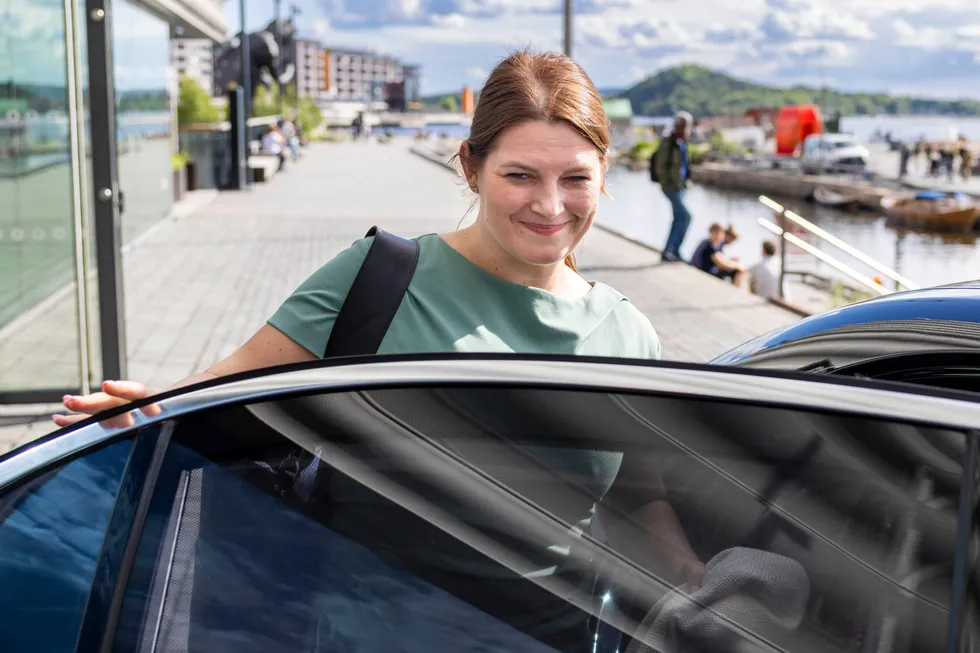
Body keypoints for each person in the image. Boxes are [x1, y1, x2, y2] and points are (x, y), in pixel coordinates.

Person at [54, 49, 705, 650]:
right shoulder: (382, 277)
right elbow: (224, 390)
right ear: (471, 167)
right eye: (520, 175)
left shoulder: (627, 332)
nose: (550, 203)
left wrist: (696, 582)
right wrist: (147, 409)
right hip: (364, 633)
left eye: (575, 178)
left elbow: (637, 500)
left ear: (603, 177)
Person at [652, 111, 694, 262]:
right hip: (671, 188)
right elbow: (660, 167)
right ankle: (671, 249)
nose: (687, 129)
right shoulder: (668, 142)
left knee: (679, 218)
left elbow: (684, 166)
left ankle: (672, 250)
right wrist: (670, 184)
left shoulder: (683, 143)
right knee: (686, 216)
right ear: (678, 126)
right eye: (685, 126)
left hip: (681, 187)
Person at [690, 223, 747, 288]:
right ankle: (736, 292)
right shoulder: (709, 245)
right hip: (701, 272)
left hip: (706, 271)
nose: (718, 236)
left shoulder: (715, 245)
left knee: (737, 271)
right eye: (716, 233)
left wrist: (731, 262)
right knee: (738, 271)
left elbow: (721, 260)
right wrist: (738, 266)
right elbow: (721, 264)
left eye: (720, 234)